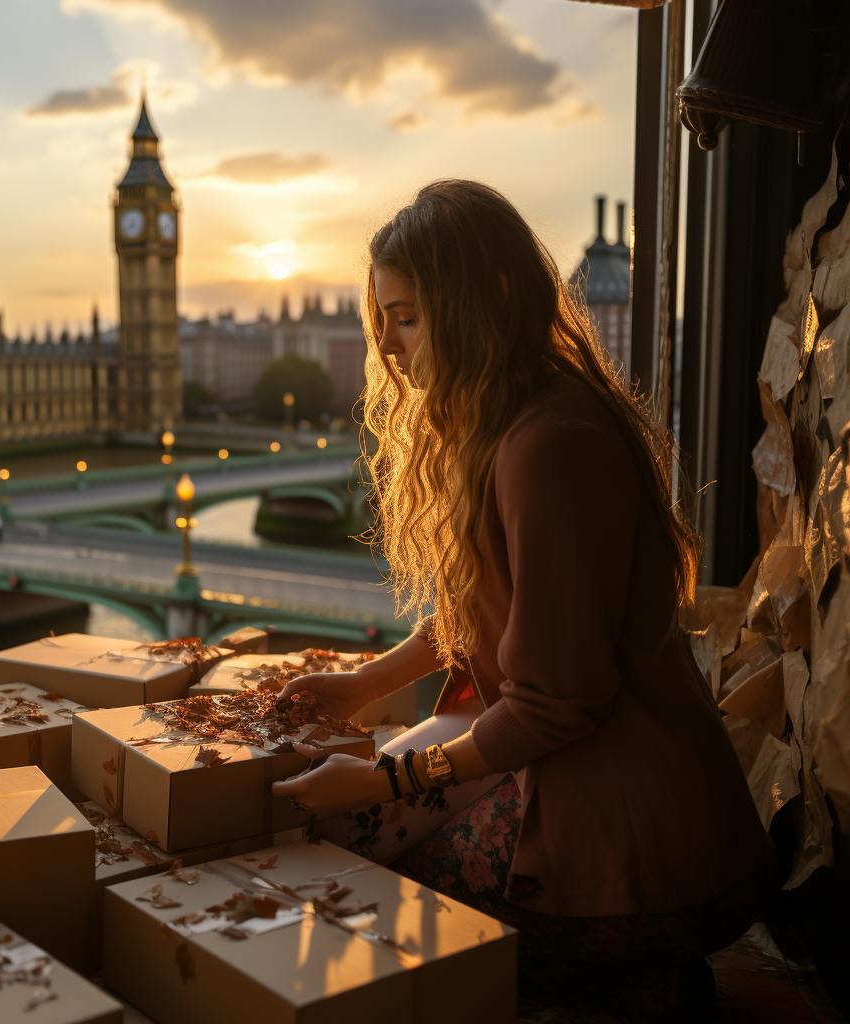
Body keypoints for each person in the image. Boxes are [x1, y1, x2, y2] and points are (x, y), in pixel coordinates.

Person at [272, 180, 775, 1019]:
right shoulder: (522, 419)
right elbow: (483, 611)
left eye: (408, 317)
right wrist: (363, 688)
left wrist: (384, 780)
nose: (391, 349)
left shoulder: (547, 448)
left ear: (489, 300)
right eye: (384, 321)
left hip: (649, 854)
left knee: (386, 903)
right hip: (622, 806)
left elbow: (549, 707)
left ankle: (624, 975)